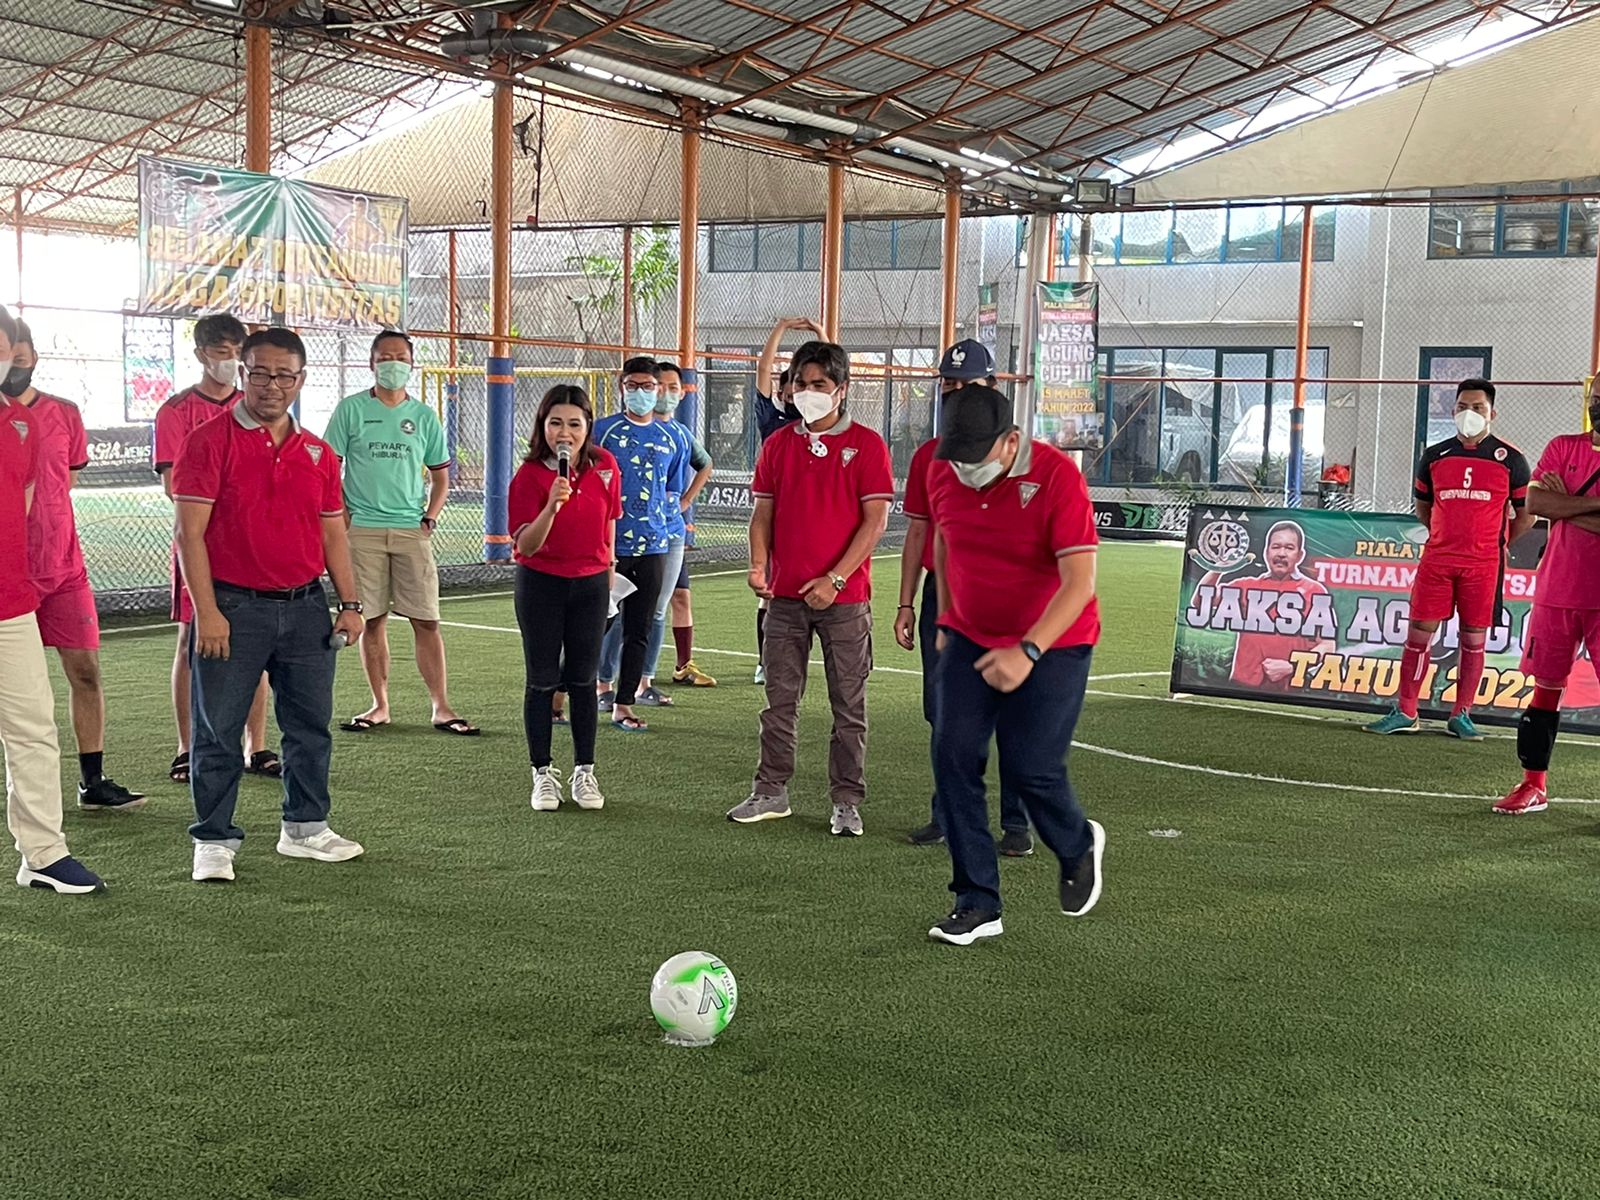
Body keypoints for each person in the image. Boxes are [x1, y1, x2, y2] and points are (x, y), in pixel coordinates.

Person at [171, 327, 367, 883]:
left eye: (283, 374)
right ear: (242, 374)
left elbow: (334, 535)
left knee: (310, 727)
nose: (270, 385)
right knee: (218, 729)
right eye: (258, 372)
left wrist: (349, 603)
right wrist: (206, 611)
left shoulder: (319, 454)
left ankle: (305, 828)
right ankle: (213, 839)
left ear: (301, 380)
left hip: (306, 609)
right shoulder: (208, 442)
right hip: (232, 607)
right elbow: (190, 535)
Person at [923, 384, 1105, 945]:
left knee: (1030, 767)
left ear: (1011, 442)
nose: (965, 469)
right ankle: (977, 901)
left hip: (1055, 641)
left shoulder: (1056, 477)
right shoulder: (940, 470)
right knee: (952, 758)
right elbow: (945, 546)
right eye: (958, 457)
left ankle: (1076, 844)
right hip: (970, 637)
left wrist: (1028, 651)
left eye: (978, 456)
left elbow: (1079, 583)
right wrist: (948, 618)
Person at [729, 340, 893, 836]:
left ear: (841, 390)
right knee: (779, 699)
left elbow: (876, 522)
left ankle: (846, 800)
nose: (807, 392)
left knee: (850, 704)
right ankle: (770, 790)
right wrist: (759, 565)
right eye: (800, 383)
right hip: (783, 598)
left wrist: (836, 578)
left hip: (846, 601)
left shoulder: (868, 445)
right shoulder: (778, 445)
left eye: (819, 385)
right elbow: (763, 513)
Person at [897, 339, 1030, 854]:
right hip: (945, 598)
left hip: (1007, 594)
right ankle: (948, 813)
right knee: (945, 710)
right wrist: (907, 603)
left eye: (966, 384)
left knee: (1013, 707)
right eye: (948, 384)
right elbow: (916, 533)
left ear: (991, 387)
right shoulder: (929, 455)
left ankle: (1016, 825)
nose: (954, 393)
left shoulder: (1022, 456)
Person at [5, 319, 145, 808]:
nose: (13, 368)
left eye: (20, 360)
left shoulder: (64, 413)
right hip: (8, 574)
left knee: (85, 672)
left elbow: (65, 481)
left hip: (64, 569)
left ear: (34, 358)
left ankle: (93, 782)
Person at [323, 330, 477, 736]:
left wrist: (430, 518)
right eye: (385, 357)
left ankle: (442, 706)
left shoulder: (424, 417)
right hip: (362, 533)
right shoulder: (351, 410)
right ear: (371, 363)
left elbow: (442, 476)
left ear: (411, 363)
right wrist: (343, 516)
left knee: (426, 620)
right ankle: (379, 705)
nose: (393, 364)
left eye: (401, 357)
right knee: (371, 620)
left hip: (411, 531)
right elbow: (327, 471)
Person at [0, 305, 105, 894]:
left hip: (10, 600)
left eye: (7, 348)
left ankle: (41, 854)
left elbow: (23, 509)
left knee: (33, 728)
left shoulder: (23, 424)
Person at [1367, 378, 1532, 738]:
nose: (1468, 414)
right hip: (1437, 561)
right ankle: (1406, 710)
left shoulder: (1512, 459)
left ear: (1492, 413)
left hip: (1483, 564)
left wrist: (1496, 541)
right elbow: (1423, 507)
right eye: (1461, 407)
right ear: (1452, 410)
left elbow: (1526, 515)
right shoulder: (1434, 456)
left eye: (1477, 408)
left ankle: (1462, 715)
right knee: (1418, 635)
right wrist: (1445, 535)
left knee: (1473, 639)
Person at [153, 314, 278, 785]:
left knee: (259, 641)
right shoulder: (176, 412)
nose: (229, 360)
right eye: (221, 351)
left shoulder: (262, 410)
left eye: (235, 351)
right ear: (202, 354)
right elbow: (174, 487)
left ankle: (257, 744)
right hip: (200, 546)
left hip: (256, 549)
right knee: (190, 642)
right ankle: (187, 748)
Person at [509, 385, 620, 811]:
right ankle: (542, 773)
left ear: (587, 427)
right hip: (541, 584)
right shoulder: (529, 476)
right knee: (541, 679)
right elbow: (528, 546)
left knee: (582, 678)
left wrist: (608, 569)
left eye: (575, 423)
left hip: (591, 584)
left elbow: (609, 520)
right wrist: (551, 507)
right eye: (556, 422)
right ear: (543, 426)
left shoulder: (605, 466)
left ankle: (585, 772)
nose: (565, 432)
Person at [1492, 389, 1600, 815]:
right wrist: (1591, 506)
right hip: (1557, 591)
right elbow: (1535, 503)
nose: (1598, 403)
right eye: (1597, 394)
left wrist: (1567, 506)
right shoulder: (1563, 446)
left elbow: (1554, 505)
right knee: (1545, 692)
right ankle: (1533, 785)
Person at [592, 357, 689, 732]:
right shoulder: (602, 432)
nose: (642, 393)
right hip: (608, 545)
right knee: (596, 624)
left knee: (640, 627)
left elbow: (672, 489)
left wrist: (669, 525)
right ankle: (575, 692)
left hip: (654, 546)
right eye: (633, 385)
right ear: (622, 386)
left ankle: (625, 704)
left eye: (649, 386)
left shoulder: (672, 438)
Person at [751, 317, 819, 683]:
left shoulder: (825, 422)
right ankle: (766, 661)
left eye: (810, 385)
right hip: (777, 512)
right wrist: (779, 328)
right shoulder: (773, 423)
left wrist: (821, 334)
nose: (799, 393)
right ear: (783, 393)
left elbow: (832, 364)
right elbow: (764, 369)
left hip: (814, 515)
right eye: (793, 385)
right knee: (771, 594)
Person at [1195, 519, 1334, 690]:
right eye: (1276, 547)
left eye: (1289, 548)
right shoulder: (1246, 585)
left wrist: (1292, 666)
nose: (1281, 553)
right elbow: (1201, 601)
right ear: (1266, 552)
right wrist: (1220, 566)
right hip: (1242, 684)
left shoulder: (1314, 590)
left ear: (1300, 555)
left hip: (1289, 689)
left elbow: (1327, 645)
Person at [651, 360, 717, 693]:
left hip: (671, 528)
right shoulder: (629, 430)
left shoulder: (680, 432)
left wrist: (686, 500)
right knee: (624, 601)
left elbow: (705, 464)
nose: (666, 393)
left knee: (680, 597)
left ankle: (682, 665)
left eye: (674, 387)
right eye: (660, 385)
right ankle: (614, 670)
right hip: (639, 533)